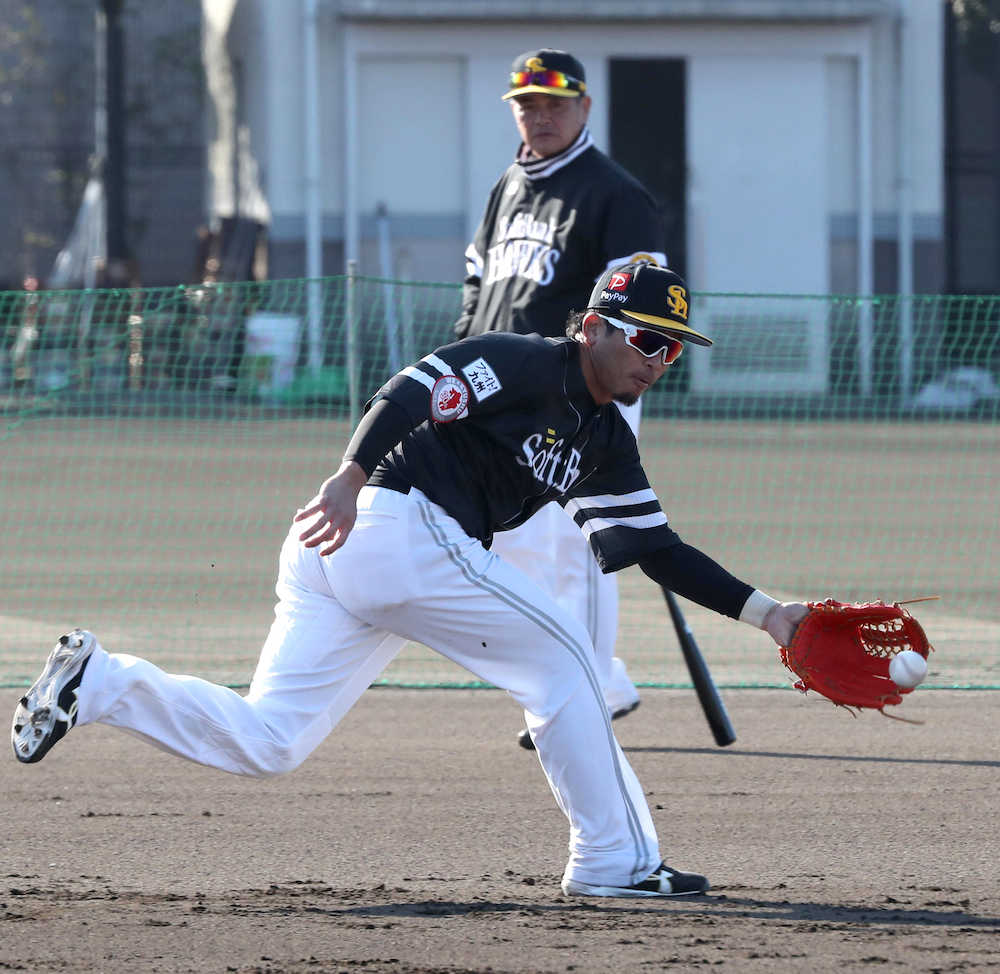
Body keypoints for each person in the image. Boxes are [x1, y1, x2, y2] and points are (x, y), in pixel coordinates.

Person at [12, 262, 808, 899]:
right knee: (569, 662)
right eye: (647, 341)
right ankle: (613, 862)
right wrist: (349, 475)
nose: (660, 362)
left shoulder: (604, 440)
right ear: (594, 326)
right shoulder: (529, 362)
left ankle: (103, 684)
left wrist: (771, 616)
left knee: (272, 740)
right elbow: (416, 387)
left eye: (673, 349)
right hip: (389, 522)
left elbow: (655, 547)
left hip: (366, 554)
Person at [456, 49, 670, 748]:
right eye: (527, 104)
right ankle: (593, 676)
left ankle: (594, 687)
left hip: (580, 390)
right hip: (504, 390)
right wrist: (462, 359)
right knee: (516, 542)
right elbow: (477, 284)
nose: (540, 115)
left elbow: (638, 310)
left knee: (574, 546)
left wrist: (588, 382)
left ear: (584, 108)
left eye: (554, 103)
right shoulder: (507, 186)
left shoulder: (616, 194)